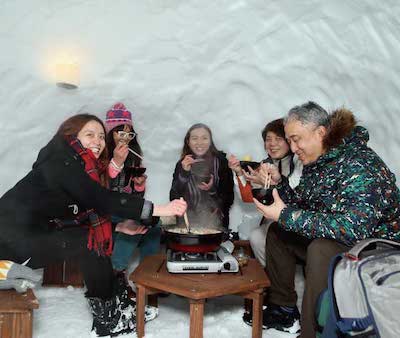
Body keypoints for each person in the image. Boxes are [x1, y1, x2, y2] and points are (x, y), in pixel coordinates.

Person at [0, 113, 187, 337]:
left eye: (100, 136)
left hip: (24, 238)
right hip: (8, 242)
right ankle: (109, 319)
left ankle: (115, 309)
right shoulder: (61, 162)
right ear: (71, 136)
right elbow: (101, 198)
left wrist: (118, 227)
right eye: (89, 134)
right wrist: (160, 209)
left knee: (91, 240)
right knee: (88, 242)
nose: (98, 141)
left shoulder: (76, 165)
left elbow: (70, 215)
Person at [253, 102, 400, 337]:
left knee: (321, 249)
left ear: (320, 132)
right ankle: (283, 307)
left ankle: (313, 332)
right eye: (289, 140)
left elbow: (354, 228)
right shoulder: (317, 162)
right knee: (279, 233)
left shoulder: (359, 164)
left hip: (375, 248)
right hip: (344, 236)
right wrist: (279, 184)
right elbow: (300, 204)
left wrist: (286, 215)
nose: (292, 147)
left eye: (295, 139)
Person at [228, 118, 302, 267]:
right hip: (272, 224)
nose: (272, 144)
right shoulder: (264, 165)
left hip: (298, 223)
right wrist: (239, 173)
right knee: (256, 236)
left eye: (278, 139)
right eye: (268, 139)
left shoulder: (300, 163)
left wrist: (277, 182)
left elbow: (299, 197)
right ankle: (271, 277)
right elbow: (249, 198)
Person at [105, 103, 161, 289]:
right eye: (120, 133)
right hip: (104, 210)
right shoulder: (101, 155)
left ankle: (148, 272)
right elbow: (99, 189)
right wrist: (115, 162)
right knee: (133, 220)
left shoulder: (133, 156)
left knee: (154, 222)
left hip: (124, 207)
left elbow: (134, 198)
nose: (125, 138)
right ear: (110, 133)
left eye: (129, 134)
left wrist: (139, 186)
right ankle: (117, 272)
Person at [170, 123, 234, 230]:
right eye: (195, 138)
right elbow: (174, 198)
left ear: (210, 141)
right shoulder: (182, 163)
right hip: (187, 223)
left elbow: (229, 198)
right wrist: (184, 173)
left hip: (215, 223)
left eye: (204, 138)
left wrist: (212, 190)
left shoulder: (221, 162)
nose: (200, 143)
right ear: (188, 142)